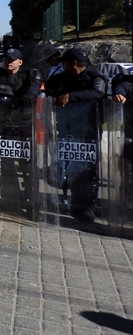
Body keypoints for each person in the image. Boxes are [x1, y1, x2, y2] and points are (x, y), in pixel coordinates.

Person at [44, 48, 107, 223]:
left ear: (73, 63)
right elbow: (49, 86)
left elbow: (98, 93)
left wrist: (70, 96)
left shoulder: (95, 78)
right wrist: (56, 93)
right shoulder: (63, 78)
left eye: (64, 62)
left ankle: (87, 207)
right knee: (69, 164)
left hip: (88, 130)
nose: (62, 66)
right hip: (66, 128)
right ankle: (72, 202)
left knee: (87, 169)